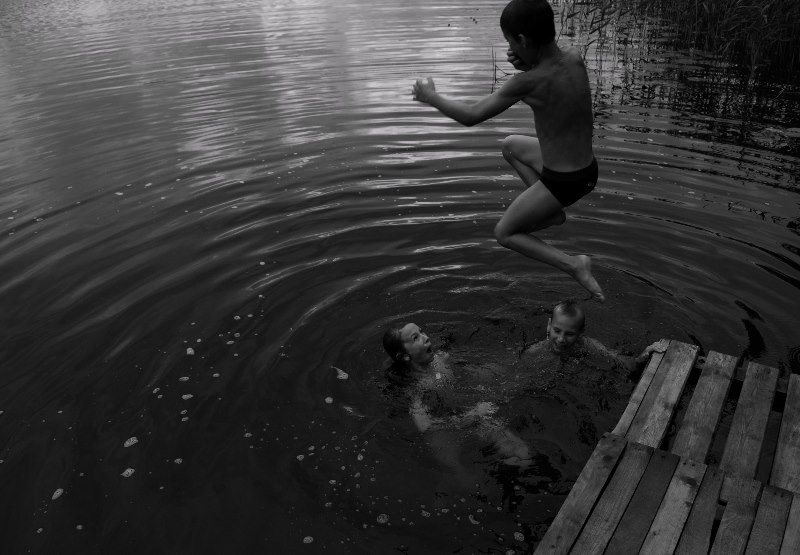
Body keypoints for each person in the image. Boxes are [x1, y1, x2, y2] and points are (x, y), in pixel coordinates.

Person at [411, 0, 604, 302]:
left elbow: (471, 115)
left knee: (505, 233)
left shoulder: (526, 83)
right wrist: (529, 62)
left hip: (565, 182)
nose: (510, 49)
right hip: (586, 169)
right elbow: (552, 80)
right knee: (511, 146)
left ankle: (574, 265)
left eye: (510, 42)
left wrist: (431, 97)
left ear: (523, 40)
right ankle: (551, 213)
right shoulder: (574, 57)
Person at [383, 322, 531, 467]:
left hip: (462, 406)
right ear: (404, 357)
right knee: (455, 468)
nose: (426, 337)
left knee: (521, 452)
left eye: (421, 331)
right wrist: (472, 415)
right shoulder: (416, 388)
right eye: (416, 338)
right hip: (448, 423)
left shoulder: (440, 358)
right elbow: (426, 427)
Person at [523, 300, 664, 368]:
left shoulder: (587, 344)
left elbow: (620, 360)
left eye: (569, 334)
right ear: (549, 325)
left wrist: (642, 356)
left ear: (580, 333)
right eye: (557, 331)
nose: (561, 339)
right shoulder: (536, 350)